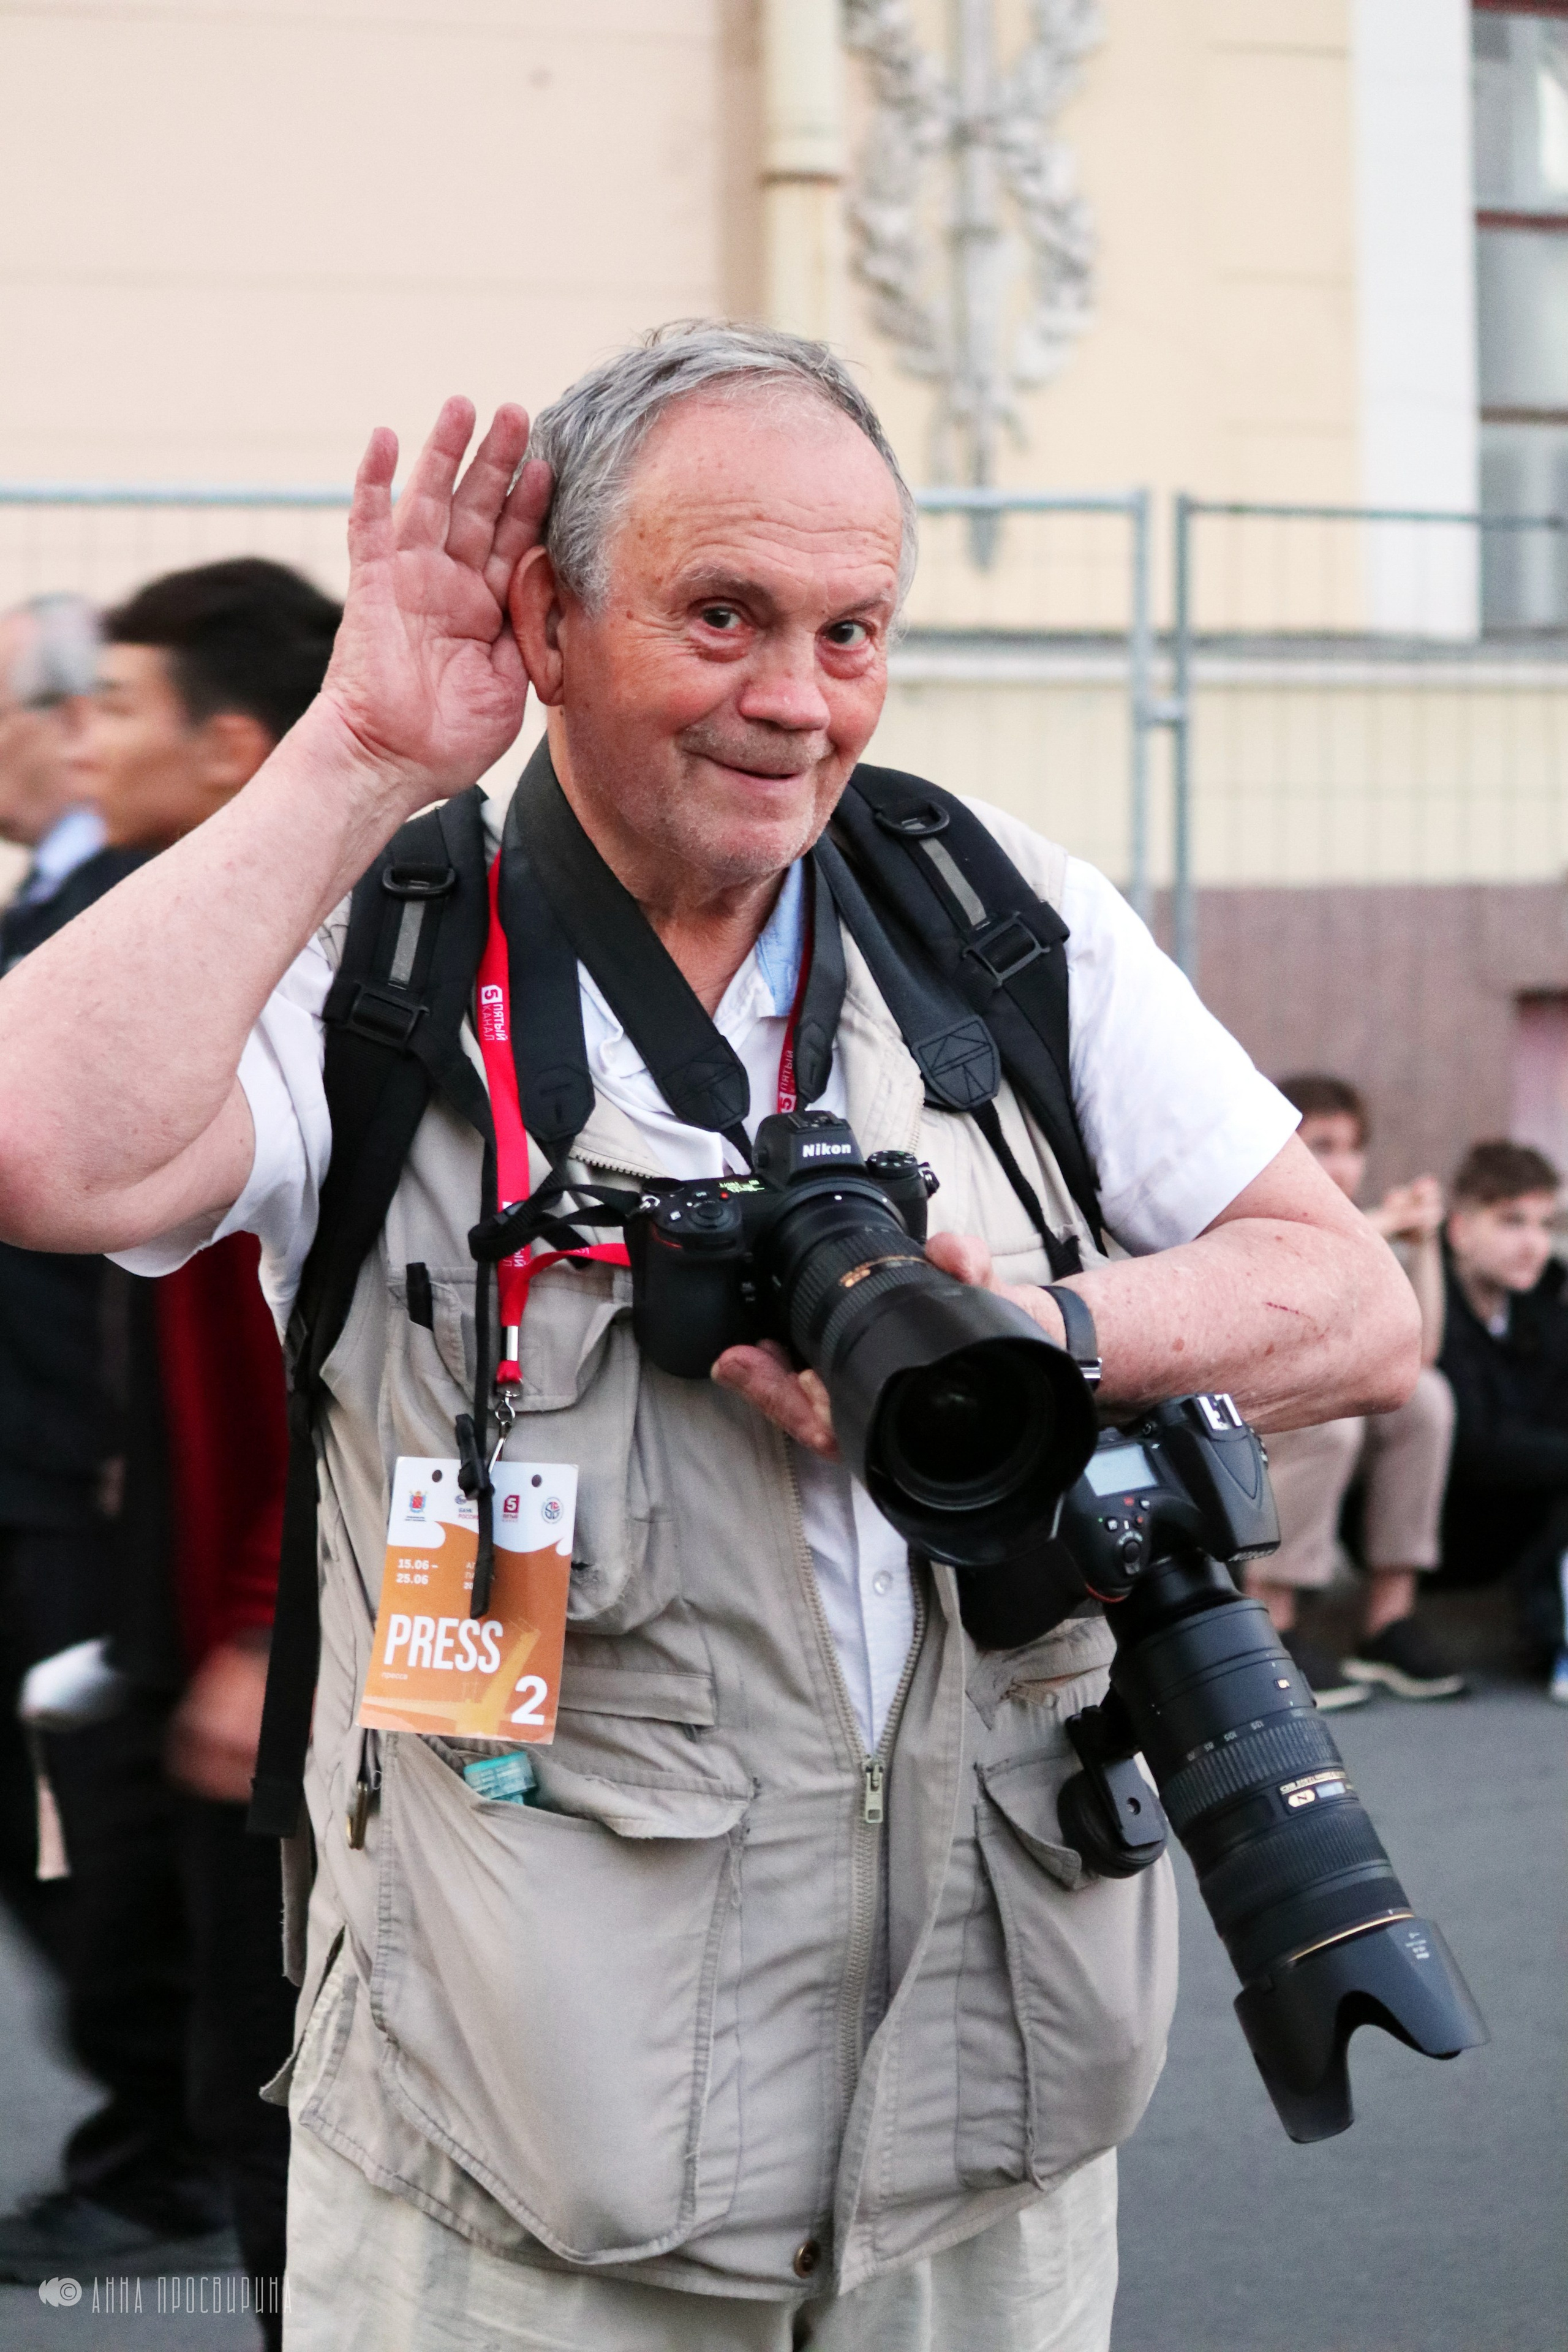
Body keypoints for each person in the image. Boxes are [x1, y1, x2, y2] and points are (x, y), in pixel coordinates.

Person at [0, 325, 1420, 2352]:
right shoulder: (387, 957)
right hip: (510, 2212)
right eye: (726, 614)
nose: (794, 697)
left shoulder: (992, 921)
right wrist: (364, 753)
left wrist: (1043, 1329)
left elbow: (1350, 1299)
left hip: (979, 2194)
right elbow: (41, 1142)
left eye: (854, 631)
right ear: (551, 621)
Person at [0, 561, 338, 2346]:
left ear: (227, 754)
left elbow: (361, 1352)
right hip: (190, 1586)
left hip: (295, 1626)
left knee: (294, 2061)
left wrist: (257, 1624)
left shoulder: (294, 988)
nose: (80, 741)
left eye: (115, 708)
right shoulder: (181, 962)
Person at [1243, 1076, 1464, 1706]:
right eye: (1323, 1145)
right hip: (1262, 1411)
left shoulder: (1361, 1227)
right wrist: (1385, 1225)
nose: (1342, 1164)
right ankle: (1270, 1622)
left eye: (1353, 1146)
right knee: (1331, 1421)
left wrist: (1420, 1248)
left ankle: (1388, 1621)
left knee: (1428, 1398)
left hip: (1326, 1409)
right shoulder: (1257, 1218)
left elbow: (1419, 1350)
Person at [1437, 1139, 1568, 1702]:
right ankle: (1557, 1646)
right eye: (1512, 1222)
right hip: (1445, 1526)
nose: (1535, 1243)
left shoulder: (1541, 1301)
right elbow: (1474, 1446)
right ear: (1460, 1229)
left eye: (1547, 1224)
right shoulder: (1433, 1298)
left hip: (1524, 1503)